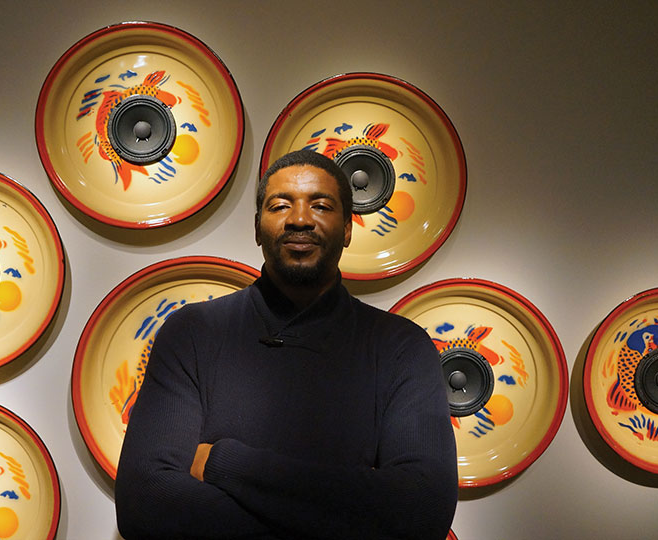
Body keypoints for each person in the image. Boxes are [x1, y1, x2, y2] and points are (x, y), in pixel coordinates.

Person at [115, 150, 457, 540]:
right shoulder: (192, 334)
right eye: (280, 206)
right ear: (257, 228)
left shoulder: (401, 348)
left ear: (348, 228)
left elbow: (422, 510)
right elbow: (143, 504)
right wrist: (346, 513)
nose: (299, 219)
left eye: (321, 206)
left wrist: (225, 463)